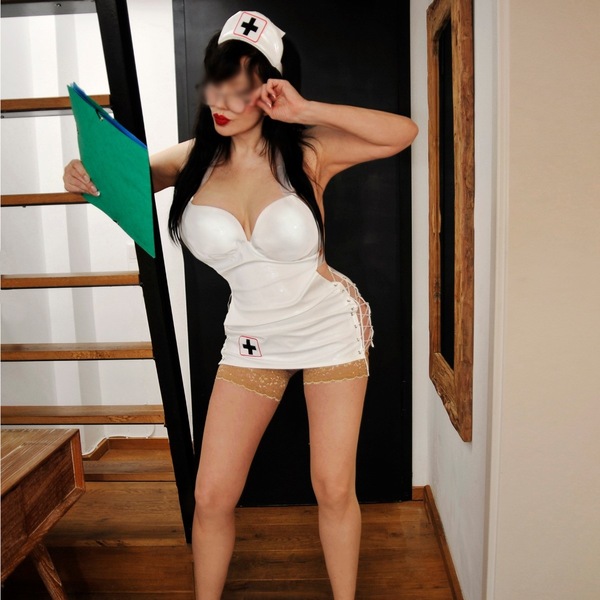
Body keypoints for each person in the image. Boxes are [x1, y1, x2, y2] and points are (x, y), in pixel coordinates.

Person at [63, 10, 418, 599]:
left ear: (271, 91)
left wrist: (306, 110)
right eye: (216, 81)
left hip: (328, 329)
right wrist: (81, 174)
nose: (221, 100)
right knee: (210, 495)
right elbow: (115, 178)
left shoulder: (308, 152)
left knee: (333, 486)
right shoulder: (192, 159)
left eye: (240, 86)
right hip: (251, 338)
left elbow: (402, 132)